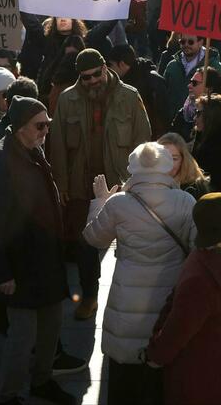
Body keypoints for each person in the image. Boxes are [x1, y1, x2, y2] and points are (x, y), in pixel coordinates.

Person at [0, 96, 76, 405]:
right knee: (22, 336)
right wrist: (1, 272)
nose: (46, 131)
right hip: (19, 265)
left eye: (48, 124)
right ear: (20, 127)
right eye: (40, 125)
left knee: (51, 328)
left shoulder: (34, 151)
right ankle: (8, 395)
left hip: (45, 259)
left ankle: (42, 381)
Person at [82, 142, 195, 404]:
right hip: (168, 302)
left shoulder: (119, 203)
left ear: (133, 168)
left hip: (127, 304)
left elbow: (93, 238)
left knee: (124, 384)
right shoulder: (185, 201)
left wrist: (100, 202)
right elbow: (197, 247)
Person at [49, 48, 151, 321]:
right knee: (84, 245)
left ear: (105, 69)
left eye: (96, 74)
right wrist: (61, 182)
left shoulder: (129, 97)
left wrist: (139, 180)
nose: (92, 81)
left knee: (129, 243)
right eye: (86, 77)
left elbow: (143, 139)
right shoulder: (67, 99)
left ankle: (132, 299)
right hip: (82, 184)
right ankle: (90, 297)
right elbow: (57, 143)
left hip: (120, 183)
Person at [143, 192, 221, 405]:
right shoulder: (202, 281)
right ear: (220, 236)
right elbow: (174, 333)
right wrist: (154, 356)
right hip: (211, 391)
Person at [161, 34, 221, 115]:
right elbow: (162, 94)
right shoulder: (172, 66)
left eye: (190, 42)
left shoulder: (216, 67)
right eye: (182, 42)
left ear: (200, 42)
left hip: (204, 122)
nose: (186, 45)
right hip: (174, 122)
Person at [167, 65, 221, 141]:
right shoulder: (183, 113)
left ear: (209, 89)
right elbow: (171, 139)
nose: (189, 86)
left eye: (194, 83)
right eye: (190, 82)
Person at [157, 132, 211, 199]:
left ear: (183, 160)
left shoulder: (194, 189)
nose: (169, 164)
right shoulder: (147, 184)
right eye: (164, 157)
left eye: (174, 159)